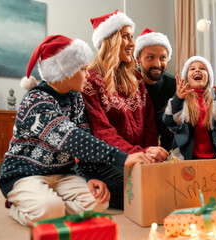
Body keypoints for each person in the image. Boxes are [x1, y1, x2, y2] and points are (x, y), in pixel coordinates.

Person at [0, 35, 154, 226]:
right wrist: (123, 157)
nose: (87, 75)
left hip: (63, 174)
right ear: (66, 71)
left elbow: (84, 138)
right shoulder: (36, 100)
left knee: (98, 203)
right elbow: (71, 138)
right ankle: (21, 206)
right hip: (25, 175)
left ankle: (50, 205)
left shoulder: (76, 99)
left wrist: (90, 177)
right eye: (82, 70)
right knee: (49, 210)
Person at [80, 10, 168, 209]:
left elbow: (149, 126)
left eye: (132, 36)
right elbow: (102, 132)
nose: (132, 43)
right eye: (125, 36)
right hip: (107, 160)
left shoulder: (136, 79)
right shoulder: (90, 81)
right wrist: (135, 155)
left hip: (138, 155)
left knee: (165, 180)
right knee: (141, 191)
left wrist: (148, 154)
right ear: (109, 40)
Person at [163, 56, 216, 160]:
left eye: (202, 68)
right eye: (192, 68)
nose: (197, 70)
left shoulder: (215, 104)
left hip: (213, 158)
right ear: (186, 78)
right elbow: (172, 122)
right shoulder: (182, 104)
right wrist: (178, 100)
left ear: (208, 78)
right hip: (185, 159)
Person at [134, 28, 176, 151]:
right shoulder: (128, 82)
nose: (157, 64)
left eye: (163, 58)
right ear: (138, 59)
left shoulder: (173, 84)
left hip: (165, 149)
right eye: (150, 57)